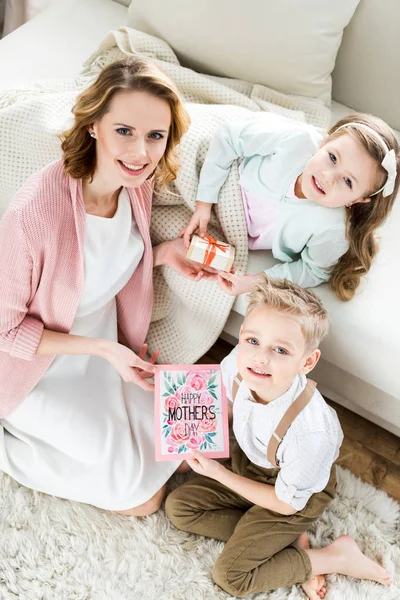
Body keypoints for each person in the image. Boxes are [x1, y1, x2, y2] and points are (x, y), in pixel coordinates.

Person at [0, 56, 217, 516]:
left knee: (196, 438)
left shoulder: (136, 181)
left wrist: (162, 255)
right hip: (33, 373)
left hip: (106, 350)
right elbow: (5, 332)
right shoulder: (33, 215)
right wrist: (104, 352)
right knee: (143, 500)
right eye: (125, 131)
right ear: (94, 125)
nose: (140, 152)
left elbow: (99, 262)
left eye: (155, 136)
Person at [165, 277, 391, 599]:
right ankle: (278, 540)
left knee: (231, 575)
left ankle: (333, 557)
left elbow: (285, 505)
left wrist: (219, 473)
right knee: (179, 508)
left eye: (281, 350)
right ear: (242, 337)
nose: (260, 358)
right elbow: (226, 404)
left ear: (307, 362)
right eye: (253, 341)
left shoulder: (310, 434)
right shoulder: (241, 364)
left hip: (292, 497)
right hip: (250, 464)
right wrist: (190, 439)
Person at [182, 112, 400, 301]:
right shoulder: (297, 141)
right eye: (332, 157)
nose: (328, 177)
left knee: (184, 251)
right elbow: (228, 137)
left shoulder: (332, 229)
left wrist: (257, 281)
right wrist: (204, 203)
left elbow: (313, 270)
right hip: (226, 184)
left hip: (234, 231)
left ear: (357, 200)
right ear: (323, 143)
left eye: (348, 181)